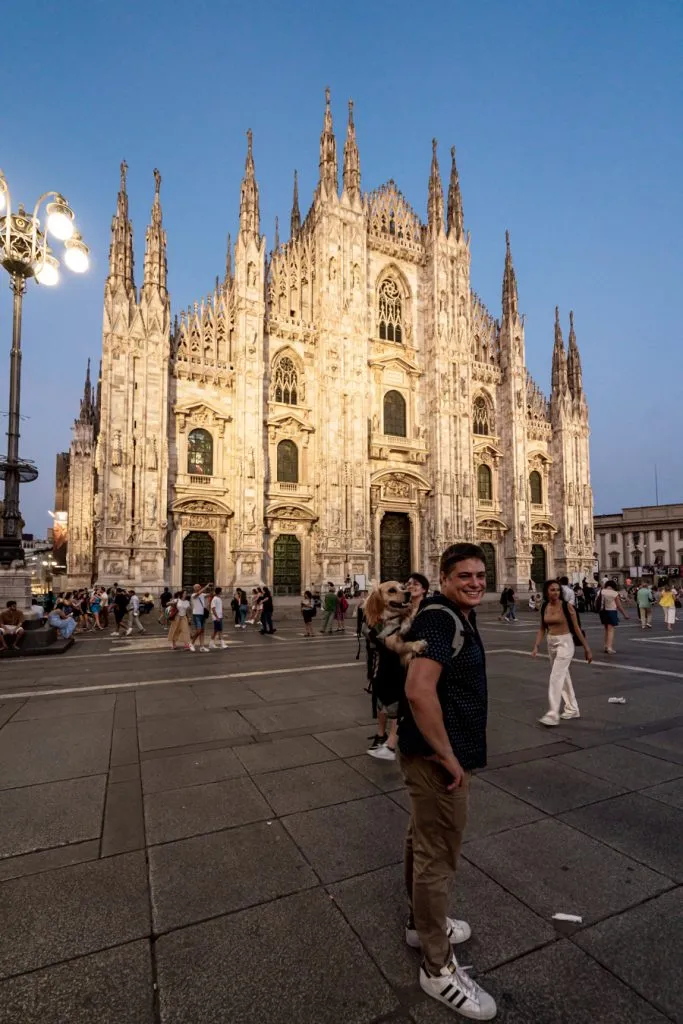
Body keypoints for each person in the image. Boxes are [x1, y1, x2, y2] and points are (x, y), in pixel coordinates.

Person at [398, 544, 497, 1019]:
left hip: (432, 751)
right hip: (439, 759)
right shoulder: (440, 619)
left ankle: (422, 924)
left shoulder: (451, 614)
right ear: (443, 576)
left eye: (480, 574)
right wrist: (448, 756)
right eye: (465, 575)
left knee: (422, 839)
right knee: (438, 855)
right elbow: (418, 690)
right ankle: (438, 968)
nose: (476, 582)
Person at [532, 580, 592, 726]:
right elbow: (542, 628)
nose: (556, 593)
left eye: (558, 590)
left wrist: (587, 648)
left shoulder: (567, 606)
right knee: (563, 676)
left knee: (556, 677)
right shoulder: (545, 606)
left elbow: (577, 628)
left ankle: (552, 714)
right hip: (551, 642)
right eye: (552, 590)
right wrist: (536, 645)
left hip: (565, 642)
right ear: (547, 592)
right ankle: (572, 708)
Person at [599, 579, 629, 653]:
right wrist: (625, 614)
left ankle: (606, 646)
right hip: (611, 611)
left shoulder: (601, 591)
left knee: (606, 629)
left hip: (602, 612)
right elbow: (619, 606)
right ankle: (609, 647)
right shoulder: (614, 593)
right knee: (611, 630)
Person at [190, 583, 211, 651]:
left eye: (199, 587)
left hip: (202, 614)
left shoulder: (202, 594)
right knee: (199, 630)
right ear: (194, 588)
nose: (198, 588)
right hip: (196, 614)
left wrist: (213, 589)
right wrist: (206, 586)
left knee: (202, 631)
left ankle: (202, 646)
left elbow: (210, 594)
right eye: (197, 587)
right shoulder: (193, 595)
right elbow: (198, 594)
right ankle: (192, 643)